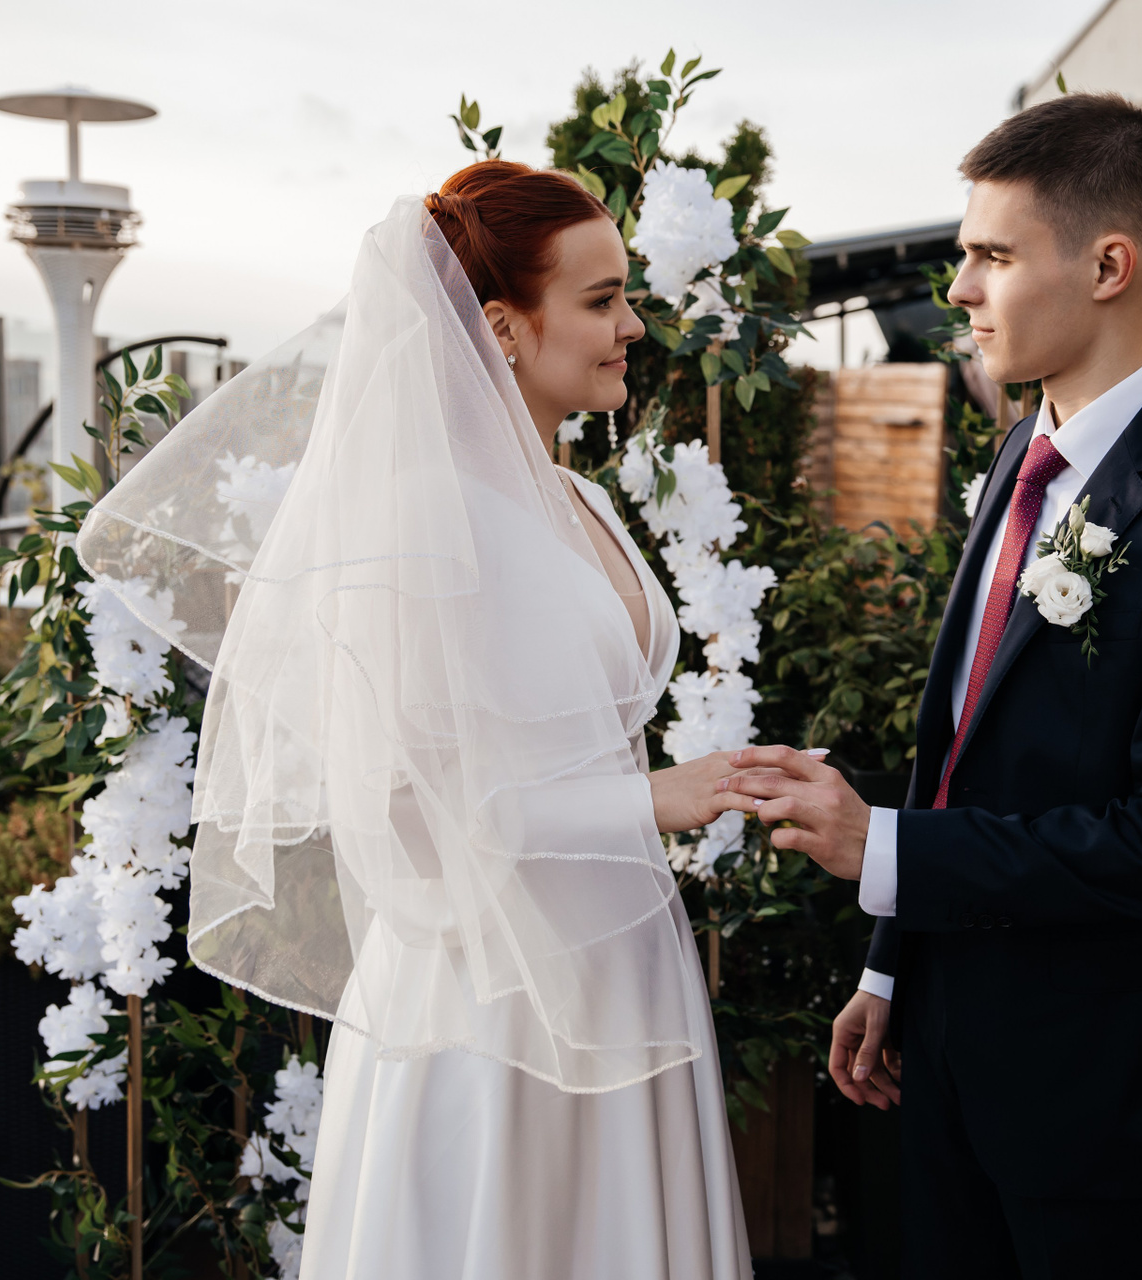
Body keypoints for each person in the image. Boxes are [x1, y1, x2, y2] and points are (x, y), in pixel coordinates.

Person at [78, 160, 751, 1279]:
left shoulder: (576, 496)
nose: (633, 326)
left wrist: (693, 786)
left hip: (624, 958)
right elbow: (422, 811)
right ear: (501, 326)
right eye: (601, 300)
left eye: (627, 295)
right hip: (489, 1002)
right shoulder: (415, 530)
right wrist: (654, 800)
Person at [714, 93, 1142, 1277]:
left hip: (1104, 1090)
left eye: (992, 255)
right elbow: (960, 748)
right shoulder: (1018, 456)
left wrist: (882, 847)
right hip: (941, 1055)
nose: (960, 288)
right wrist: (892, 961)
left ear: (1109, 265)